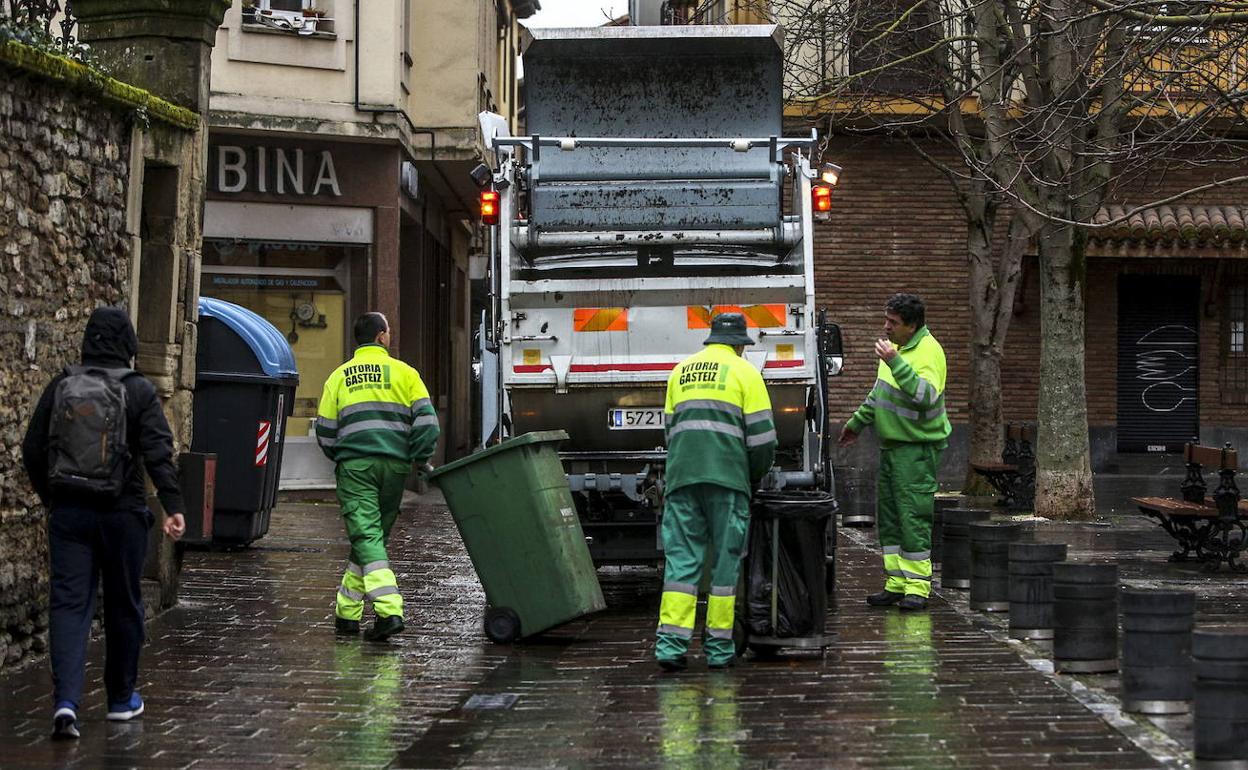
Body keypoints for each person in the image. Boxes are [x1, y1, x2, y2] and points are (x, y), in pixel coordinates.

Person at [22, 306, 186, 740]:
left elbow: (32, 449)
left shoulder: (63, 385)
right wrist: (172, 507)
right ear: (128, 343)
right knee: (123, 603)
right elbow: (158, 453)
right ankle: (120, 699)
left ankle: (66, 702)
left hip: (69, 514)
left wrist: (52, 499)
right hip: (122, 514)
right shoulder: (139, 391)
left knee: (69, 604)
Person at [656, 312, 777, 671]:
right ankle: (719, 650)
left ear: (711, 340)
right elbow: (762, 440)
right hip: (728, 482)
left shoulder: (681, 371)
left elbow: (669, 430)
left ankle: (670, 647)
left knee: (681, 564)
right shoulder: (746, 374)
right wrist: (753, 477)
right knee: (725, 566)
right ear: (740, 344)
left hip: (682, 479)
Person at [315, 312, 440, 642]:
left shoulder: (338, 377)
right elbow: (428, 424)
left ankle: (389, 612)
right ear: (382, 336)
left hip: (356, 468)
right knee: (370, 538)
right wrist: (419, 458)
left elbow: (325, 431)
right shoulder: (405, 373)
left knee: (367, 537)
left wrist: (342, 456)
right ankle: (346, 612)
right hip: (396, 469)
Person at [839, 293, 951, 611]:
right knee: (889, 519)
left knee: (912, 517)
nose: (886, 327)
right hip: (893, 446)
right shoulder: (896, 350)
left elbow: (926, 396)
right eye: (886, 320)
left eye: (893, 322)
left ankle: (917, 587)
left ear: (911, 326)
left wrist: (895, 362)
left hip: (916, 449)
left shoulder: (927, 351)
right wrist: (856, 424)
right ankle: (896, 583)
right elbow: (879, 394)